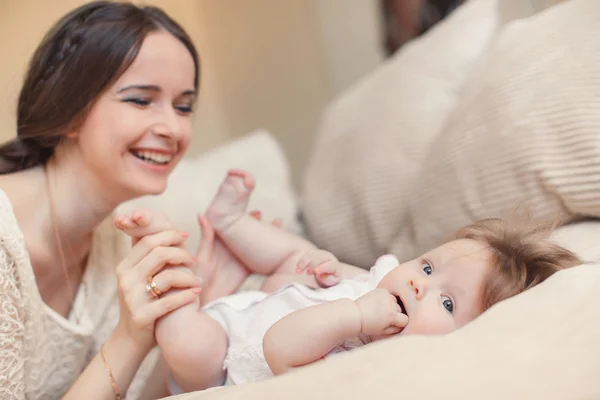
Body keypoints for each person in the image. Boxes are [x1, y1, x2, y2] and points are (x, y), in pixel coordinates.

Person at [116, 169, 582, 394]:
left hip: (224, 355)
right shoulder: (383, 282)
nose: (421, 285)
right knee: (300, 254)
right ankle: (231, 221)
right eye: (426, 267)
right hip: (263, 300)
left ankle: (161, 251)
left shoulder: (372, 361)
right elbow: (343, 275)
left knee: (185, 342)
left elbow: (279, 347)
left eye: (447, 304)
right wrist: (328, 271)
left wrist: (354, 315)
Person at [0, 2, 211, 398]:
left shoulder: (114, 239)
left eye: (184, 106)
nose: (172, 127)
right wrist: (128, 337)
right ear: (70, 110)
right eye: (140, 100)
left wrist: (199, 299)